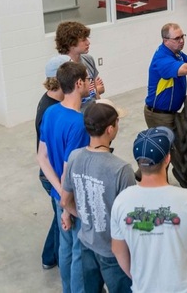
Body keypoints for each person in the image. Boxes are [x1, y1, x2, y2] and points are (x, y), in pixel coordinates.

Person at [110, 127, 187, 293]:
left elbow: (118, 250)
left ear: (138, 161)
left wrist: (138, 277)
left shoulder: (121, 202)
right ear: (168, 159)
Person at [61, 101, 135, 293]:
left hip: (86, 243)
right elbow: (131, 218)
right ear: (110, 129)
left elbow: (65, 201)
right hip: (114, 252)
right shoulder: (121, 169)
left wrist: (86, 217)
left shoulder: (74, 157)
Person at [37, 61, 91, 293]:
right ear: (79, 83)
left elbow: (42, 157)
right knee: (80, 252)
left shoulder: (51, 111)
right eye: (87, 79)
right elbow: (70, 171)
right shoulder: (79, 124)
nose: (90, 83)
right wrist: (68, 205)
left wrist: (58, 192)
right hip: (74, 198)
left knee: (65, 248)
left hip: (59, 193)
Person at [36, 54, 71, 270]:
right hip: (53, 174)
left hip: (51, 171)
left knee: (58, 217)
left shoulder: (50, 101)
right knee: (62, 223)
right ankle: (59, 260)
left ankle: (49, 257)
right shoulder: (50, 110)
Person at [55, 21, 104, 107]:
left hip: (93, 113)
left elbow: (96, 91)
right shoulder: (60, 68)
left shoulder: (88, 59)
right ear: (71, 44)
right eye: (83, 40)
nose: (88, 43)